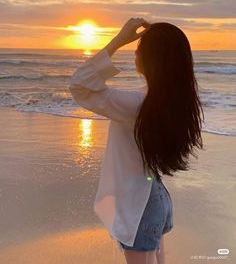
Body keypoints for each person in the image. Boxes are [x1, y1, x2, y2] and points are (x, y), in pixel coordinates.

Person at [69, 18, 205, 264]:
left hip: (139, 204)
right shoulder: (170, 100)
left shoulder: (137, 104)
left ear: (151, 59)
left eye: (138, 49)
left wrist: (119, 40)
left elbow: (79, 86)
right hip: (155, 197)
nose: (135, 53)